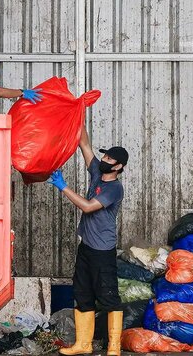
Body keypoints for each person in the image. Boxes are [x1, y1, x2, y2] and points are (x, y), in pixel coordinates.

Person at [47, 124, 128, 356]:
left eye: (110, 157)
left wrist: (63, 187)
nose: (104, 158)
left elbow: (88, 206)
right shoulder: (96, 172)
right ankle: (83, 344)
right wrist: (77, 110)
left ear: (119, 166)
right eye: (105, 154)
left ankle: (114, 346)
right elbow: (84, 144)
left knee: (108, 295)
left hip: (103, 250)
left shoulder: (114, 189)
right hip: (87, 247)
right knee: (82, 293)